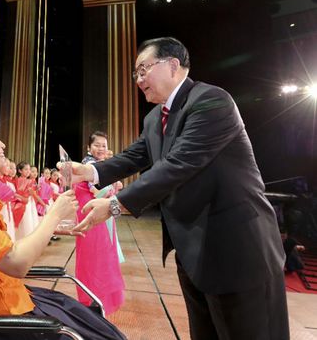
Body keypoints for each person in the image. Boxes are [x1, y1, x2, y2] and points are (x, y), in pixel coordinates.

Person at [66, 37, 289, 339]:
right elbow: (135, 156)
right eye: (136, 73)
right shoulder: (154, 118)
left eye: (143, 69)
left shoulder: (211, 101)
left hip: (237, 249)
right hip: (194, 252)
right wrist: (89, 171)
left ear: (173, 65)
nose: (139, 79)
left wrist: (115, 206)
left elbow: (178, 164)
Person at [0, 113, 127, 340]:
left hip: (10, 297)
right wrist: (53, 215)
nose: (2, 145)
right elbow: (16, 263)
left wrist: (53, 227)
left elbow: (2, 250)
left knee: (95, 324)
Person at [74, 131, 125, 314]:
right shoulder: (90, 165)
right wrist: (113, 188)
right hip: (94, 217)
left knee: (99, 256)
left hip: (99, 216)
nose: (101, 148)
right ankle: (94, 299)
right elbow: (97, 191)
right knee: (95, 257)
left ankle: (96, 298)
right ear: (89, 147)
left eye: (104, 145)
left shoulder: (97, 165)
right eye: (97, 145)